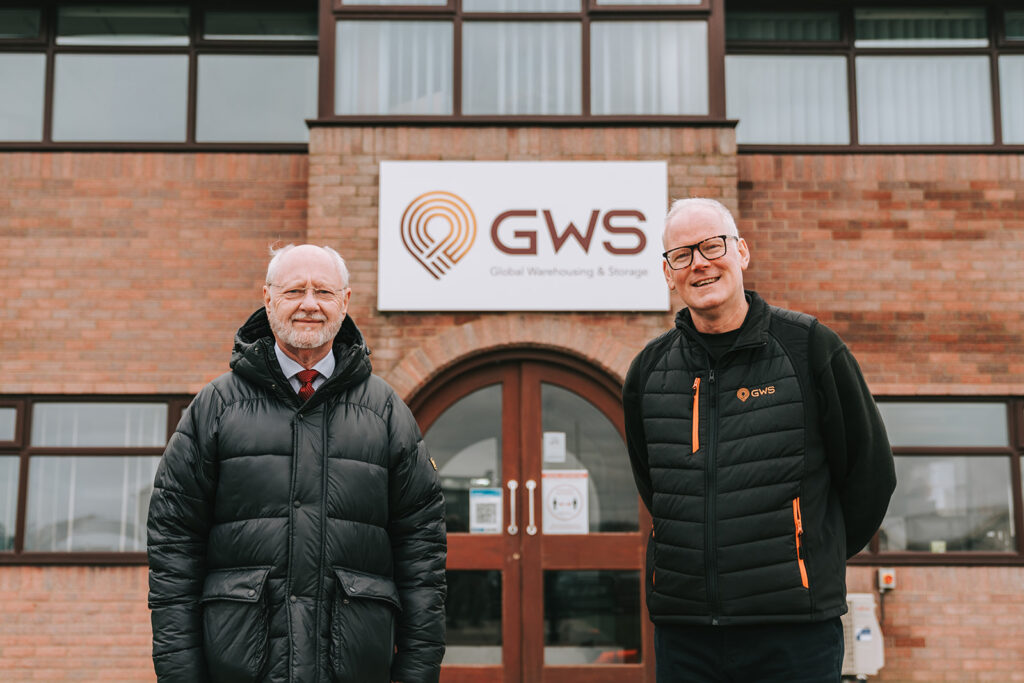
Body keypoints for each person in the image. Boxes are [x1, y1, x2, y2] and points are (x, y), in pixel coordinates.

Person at [622, 198, 895, 682]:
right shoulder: (649, 371)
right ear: (668, 274)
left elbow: (870, 474)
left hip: (795, 634)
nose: (700, 263)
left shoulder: (809, 347)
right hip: (686, 636)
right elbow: (656, 487)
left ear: (742, 252)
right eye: (682, 255)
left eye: (712, 246)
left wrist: (810, 556)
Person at [147, 244, 446, 683]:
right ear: (268, 299)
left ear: (345, 302)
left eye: (324, 291)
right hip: (239, 667)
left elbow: (423, 557)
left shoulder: (385, 412)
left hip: (354, 667)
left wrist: (416, 673)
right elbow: (173, 547)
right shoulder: (216, 406)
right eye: (295, 291)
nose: (309, 304)